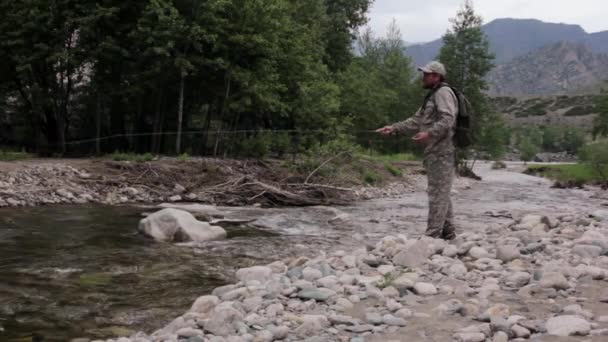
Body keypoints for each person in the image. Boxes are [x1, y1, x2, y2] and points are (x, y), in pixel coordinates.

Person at [376, 61, 458, 240]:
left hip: (442, 152)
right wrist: (393, 128)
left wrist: (428, 133)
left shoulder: (443, 93)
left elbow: (448, 119)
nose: (423, 77)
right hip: (434, 152)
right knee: (441, 191)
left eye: (427, 74)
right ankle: (449, 232)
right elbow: (415, 121)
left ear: (436, 76)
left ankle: (431, 236)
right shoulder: (431, 96)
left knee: (437, 193)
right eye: (424, 73)